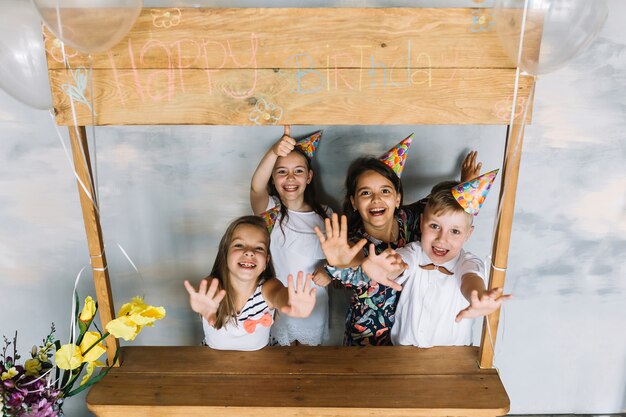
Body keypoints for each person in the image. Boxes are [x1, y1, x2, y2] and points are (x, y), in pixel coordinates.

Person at [315, 134, 483, 346]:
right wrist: (336, 266)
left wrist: (465, 185)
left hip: (412, 335)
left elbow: (445, 209)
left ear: (397, 198)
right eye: (366, 193)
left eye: (385, 191)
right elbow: (352, 270)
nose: (376, 199)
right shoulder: (353, 242)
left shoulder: (412, 217)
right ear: (354, 202)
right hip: (369, 339)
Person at [184, 215, 316, 351]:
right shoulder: (215, 286)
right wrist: (203, 299)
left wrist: (291, 302)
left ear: (266, 261)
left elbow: (279, 295)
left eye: (259, 248)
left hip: (262, 360)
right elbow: (206, 289)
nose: (249, 252)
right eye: (239, 245)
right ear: (225, 254)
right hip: (214, 362)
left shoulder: (267, 287)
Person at [249, 126, 331, 346]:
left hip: (315, 301)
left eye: (298, 171)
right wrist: (274, 152)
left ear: (309, 176)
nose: (290, 178)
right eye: (282, 171)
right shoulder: (271, 212)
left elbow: (337, 257)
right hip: (278, 299)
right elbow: (256, 188)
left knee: (308, 362)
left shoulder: (326, 214)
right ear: (273, 179)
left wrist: (330, 272)